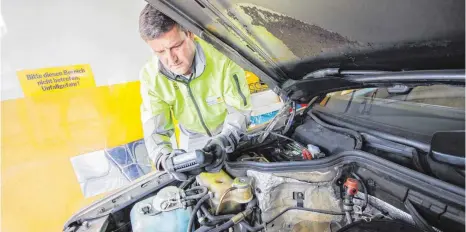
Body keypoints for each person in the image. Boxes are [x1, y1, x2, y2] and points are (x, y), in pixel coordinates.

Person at [138, 4, 252, 170]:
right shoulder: (151, 76)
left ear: (190, 34)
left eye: (175, 47)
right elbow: (155, 130)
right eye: (160, 52)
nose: (171, 60)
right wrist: (164, 159)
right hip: (192, 136)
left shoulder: (223, 58)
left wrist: (225, 139)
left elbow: (239, 110)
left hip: (228, 129)